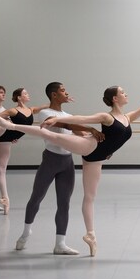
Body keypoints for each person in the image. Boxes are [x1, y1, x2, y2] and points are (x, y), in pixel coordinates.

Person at [0, 86, 140, 257]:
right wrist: (55, 119)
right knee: (50, 136)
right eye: (122, 92)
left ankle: (90, 234)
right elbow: (82, 118)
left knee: (90, 197)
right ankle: (10, 125)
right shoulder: (108, 117)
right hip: (90, 146)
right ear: (115, 99)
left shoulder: (128, 117)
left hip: (98, 158)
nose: (126, 94)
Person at [15, 82, 104, 256]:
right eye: (62, 90)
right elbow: (65, 125)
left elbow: (79, 135)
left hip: (67, 163)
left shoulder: (67, 114)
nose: (66, 92)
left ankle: (60, 243)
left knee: (64, 203)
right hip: (50, 160)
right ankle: (26, 233)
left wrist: (98, 141)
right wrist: (90, 127)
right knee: (36, 198)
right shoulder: (45, 113)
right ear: (54, 95)